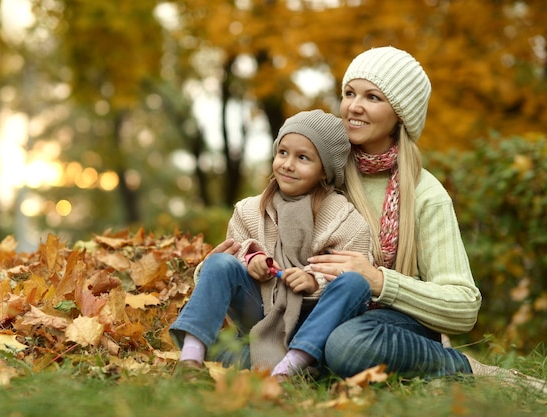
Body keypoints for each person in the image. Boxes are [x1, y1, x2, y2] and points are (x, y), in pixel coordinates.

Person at [300, 46, 545, 393]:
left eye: (372, 97)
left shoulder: (425, 192)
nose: (354, 106)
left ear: (400, 114)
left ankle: (467, 369)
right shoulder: (320, 169)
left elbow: (463, 307)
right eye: (349, 93)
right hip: (316, 307)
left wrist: (381, 282)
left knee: (348, 343)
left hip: (390, 324)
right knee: (261, 345)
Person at [169, 110, 372, 373]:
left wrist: (314, 280)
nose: (288, 164)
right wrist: (251, 261)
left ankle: (291, 365)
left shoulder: (345, 219)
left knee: (355, 282)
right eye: (283, 152)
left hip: (312, 319)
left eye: (303, 158)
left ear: (325, 170)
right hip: (260, 310)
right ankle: (191, 359)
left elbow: (352, 270)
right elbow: (236, 254)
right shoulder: (249, 211)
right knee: (219, 262)